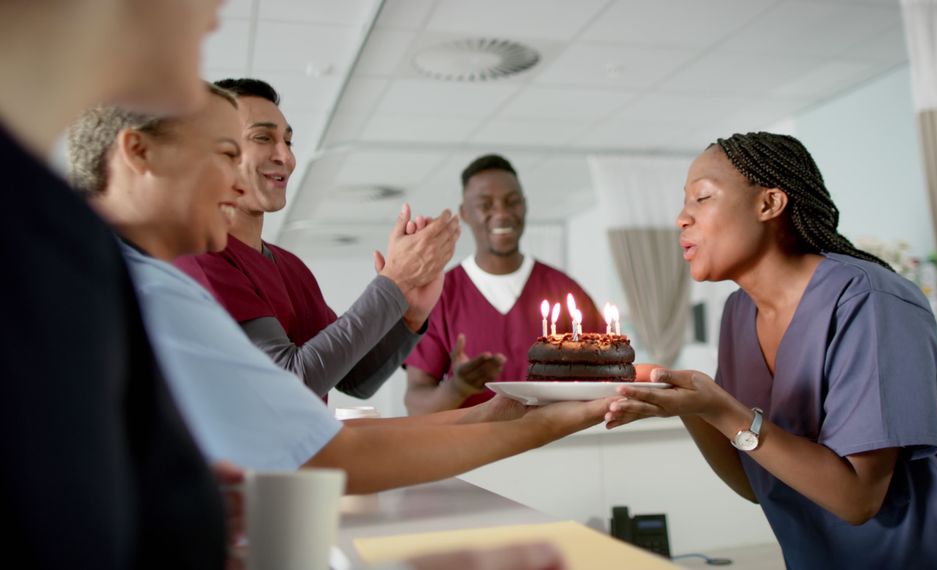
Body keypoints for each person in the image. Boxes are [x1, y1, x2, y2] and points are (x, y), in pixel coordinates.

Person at [69, 100, 616, 497]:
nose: (237, 180)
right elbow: (322, 445)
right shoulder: (162, 283)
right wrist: (543, 424)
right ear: (138, 152)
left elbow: (343, 396)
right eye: (224, 153)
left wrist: (416, 320)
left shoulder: (143, 278)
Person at [605, 133, 937, 568]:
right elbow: (757, 485)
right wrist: (685, 401)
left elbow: (857, 499)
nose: (682, 218)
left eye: (701, 197)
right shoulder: (739, 313)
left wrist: (717, 406)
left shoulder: (870, 299)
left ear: (769, 204)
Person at [0, 1, 230, 568]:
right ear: (137, 151)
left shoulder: (58, 231)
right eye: (226, 153)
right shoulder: (35, 237)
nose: (218, 13)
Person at [173, 78, 454, 400]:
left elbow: (355, 379)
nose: (286, 157)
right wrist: (394, 282)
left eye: (288, 142)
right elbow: (288, 384)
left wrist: (409, 313)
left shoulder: (290, 267)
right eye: (263, 137)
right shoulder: (198, 257)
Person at [404, 154, 602, 413]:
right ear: (465, 213)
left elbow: (603, 379)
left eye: (512, 202)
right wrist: (457, 388)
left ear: (525, 205)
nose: (502, 213)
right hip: (474, 450)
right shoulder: (440, 296)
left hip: (555, 446)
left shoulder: (564, 290)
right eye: (486, 204)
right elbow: (416, 404)